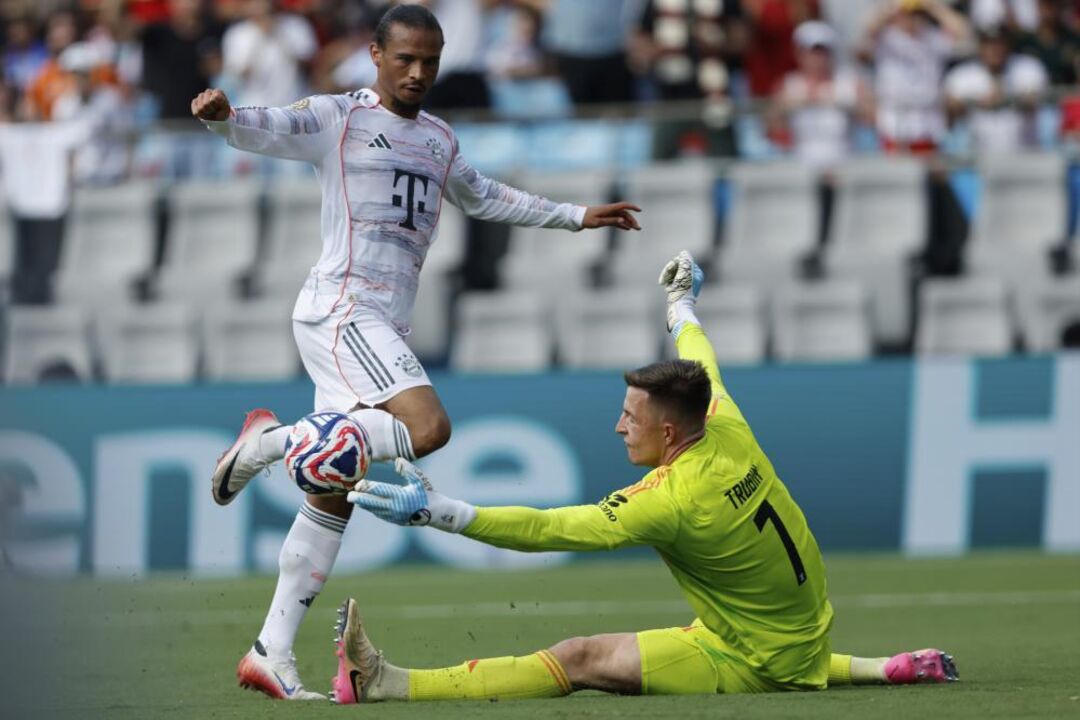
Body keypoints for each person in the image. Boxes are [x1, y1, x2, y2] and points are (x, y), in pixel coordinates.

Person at [190, 3, 641, 702]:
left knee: (330, 494)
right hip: (343, 310)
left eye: (430, 60)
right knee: (428, 428)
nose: (419, 72)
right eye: (405, 58)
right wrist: (222, 115)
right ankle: (273, 441)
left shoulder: (437, 139)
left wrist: (575, 216)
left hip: (379, 325)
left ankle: (269, 651)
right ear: (375, 54)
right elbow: (268, 126)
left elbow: (485, 197)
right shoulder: (339, 116)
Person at [334, 251, 958, 704]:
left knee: (578, 658)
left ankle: (388, 684)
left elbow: (548, 529)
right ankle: (887, 667)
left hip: (753, 659)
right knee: (760, 637)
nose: (617, 427)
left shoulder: (672, 500)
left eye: (629, 417)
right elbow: (700, 355)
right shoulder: (723, 421)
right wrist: (680, 304)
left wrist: (436, 512)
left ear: (666, 432)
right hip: (802, 630)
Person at [944, 27, 1048, 154]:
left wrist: (1006, 99)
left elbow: (1034, 100)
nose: (995, 50)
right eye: (989, 44)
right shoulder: (962, 75)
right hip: (978, 157)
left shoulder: (1028, 67)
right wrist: (974, 102)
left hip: (1023, 153)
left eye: (1000, 44)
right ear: (980, 47)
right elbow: (950, 114)